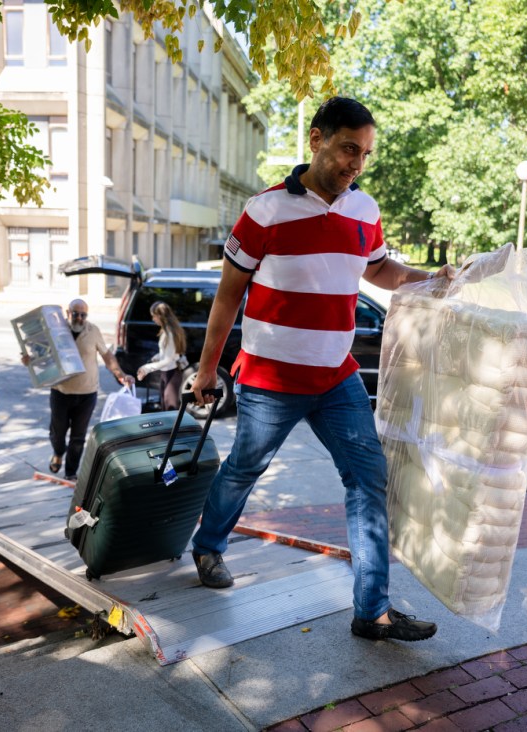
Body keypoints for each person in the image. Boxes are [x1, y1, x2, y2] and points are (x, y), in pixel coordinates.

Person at [188, 97, 455, 642]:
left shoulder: (365, 210)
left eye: (365, 155)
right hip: (269, 379)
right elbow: (225, 299)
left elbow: (379, 268)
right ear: (317, 139)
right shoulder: (264, 211)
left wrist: (433, 278)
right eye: (347, 150)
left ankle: (372, 610)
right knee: (244, 468)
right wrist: (206, 370)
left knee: (368, 479)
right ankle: (208, 546)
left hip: (337, 376)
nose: (356, 164)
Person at [22, 299, 133, 481]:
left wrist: (120, 374)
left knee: (78, 437)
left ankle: (71, 472)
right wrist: (30, 360)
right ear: (68, 312)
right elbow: (41, 354)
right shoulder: (56, 330)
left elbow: (107, 356)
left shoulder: (93, 331)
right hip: (61, 391)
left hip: (87, 393)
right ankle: (58, 452)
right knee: (57, 432)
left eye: (83, 315)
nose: (79, 318)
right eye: (76, 314)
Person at [135, 301, 188, 411]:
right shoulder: (167, 330)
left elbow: (168, 359)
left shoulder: (170, 333)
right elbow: (168, 352)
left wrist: (146, 368)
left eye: (154, 316)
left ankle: (172, 429)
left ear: (161, 316)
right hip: (167, 372)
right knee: (165, 407)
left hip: (172, 373)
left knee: (170, 409)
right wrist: (157, 356)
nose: (153, 319)